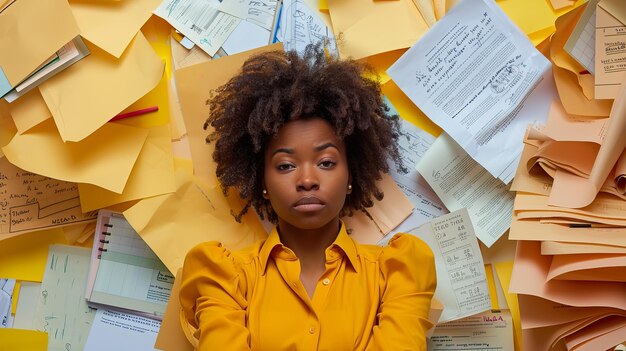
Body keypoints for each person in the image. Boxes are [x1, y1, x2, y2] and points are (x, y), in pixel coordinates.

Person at [179, 45, 437, 350]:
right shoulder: (222, 276)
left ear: (351, 175)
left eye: (326, 162)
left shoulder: (398, 273)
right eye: (286, 165)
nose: (307, 180)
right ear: (262, 180)